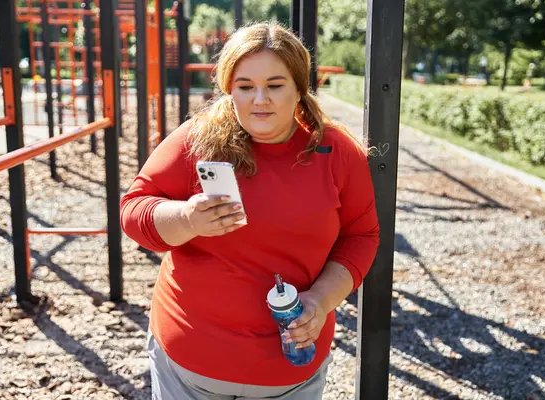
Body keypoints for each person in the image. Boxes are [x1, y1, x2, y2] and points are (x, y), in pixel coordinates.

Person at [120, 21, 380, 400]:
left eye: (275, 86)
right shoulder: (199, 138)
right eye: (245, 87)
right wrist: (187, 219)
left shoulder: (337, 151)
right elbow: (134, 210)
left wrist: (321, 300)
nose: (260, 100)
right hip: (190, 363)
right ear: (229, 90)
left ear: (299, 88)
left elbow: (362, 235)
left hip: (291, 368)